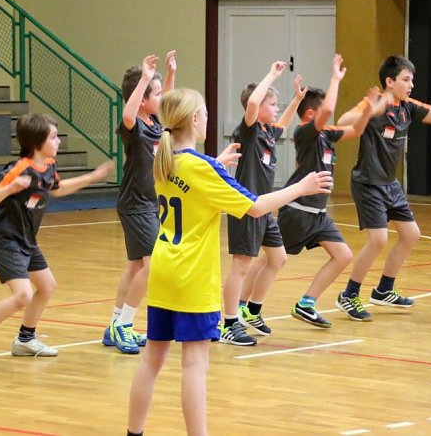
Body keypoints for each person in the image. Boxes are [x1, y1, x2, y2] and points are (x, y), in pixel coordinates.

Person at [126, 88, 332, 436]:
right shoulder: (201, 167)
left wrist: (216, 165)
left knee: (152, 360)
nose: (208, 118)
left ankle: (134, 432)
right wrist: (301, 187)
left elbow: (189, 183)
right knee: (194, 363)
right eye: (205, 112)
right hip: (192, 276)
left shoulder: (164, 161)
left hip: (162, 270)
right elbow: (255, 207)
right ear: (194, 120)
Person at [0, 113, 113, 369]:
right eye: (53, 136)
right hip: (4, 239)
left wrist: (90, 178)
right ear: (38, 141)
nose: (58, 141)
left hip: (26, 238)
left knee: (47, 286)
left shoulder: (48, 165)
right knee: (23, 295)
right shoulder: (19, 168)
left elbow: (57, 189)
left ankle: (25, 340)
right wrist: (9, 188)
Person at [335, 55, 431, 321]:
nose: (411, 85)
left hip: (390, 184)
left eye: (412, 80)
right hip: (368, 183)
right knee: (378, 240)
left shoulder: (407, 106)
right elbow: (341, 121)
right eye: (406, 80)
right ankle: (349, 295)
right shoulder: (374, 103)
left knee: (411, 235)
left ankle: (384, 290)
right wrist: (369, 111)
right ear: (389, 81)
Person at [277, 54, 386, 327]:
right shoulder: (305, 132)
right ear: (312, 115)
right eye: (323, 111)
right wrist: (336, 79)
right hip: (298, 211)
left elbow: (356, 130)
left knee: (343, 255)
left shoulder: (327, 133)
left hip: (318, 214)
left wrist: (368, 111)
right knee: (272, 259)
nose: (329, 114)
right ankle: (244, 307)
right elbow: (326, 112)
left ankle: (306, 304)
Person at [221, 61, 305, 345]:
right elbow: (254, 102)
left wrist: (296, 99)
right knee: (241, 266)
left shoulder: (268, 132)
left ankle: (251, 310)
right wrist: (271, 75)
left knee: (278, 258)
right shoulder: (249, 130)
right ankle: (229, 323)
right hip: (246, 207)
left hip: (265, 207)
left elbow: (283, 123)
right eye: (273, 102)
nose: (276, 107)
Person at [101, 51, 175, 355]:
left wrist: (169, 75)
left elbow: (167, 100)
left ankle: (114, 325)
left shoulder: (156, 122)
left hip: (150, 203)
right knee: (153, 263)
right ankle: (125, 325)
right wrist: (145, 77)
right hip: (135, 204)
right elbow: (128, 115)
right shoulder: (134, 127)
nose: (160, 98)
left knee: (135, 266)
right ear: (141, 99)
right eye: (154, 94)